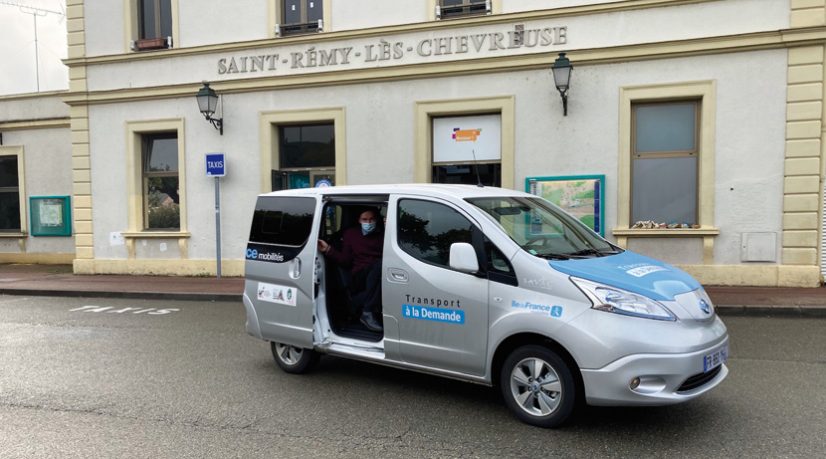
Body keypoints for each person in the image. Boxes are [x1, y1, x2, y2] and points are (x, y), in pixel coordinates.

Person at [318, 207, 384, 332]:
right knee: (380, 265)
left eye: (371, 220)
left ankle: (359, 305)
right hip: (359, 275)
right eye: (365, 219)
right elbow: (345, 260)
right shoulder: (351, 234)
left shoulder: (383, 234)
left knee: (383, 268)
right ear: (359, 220)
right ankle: (367, 311)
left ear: (376, 220)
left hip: (379, 273)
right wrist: (328, 250)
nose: (368, 223)